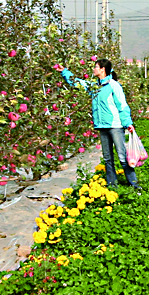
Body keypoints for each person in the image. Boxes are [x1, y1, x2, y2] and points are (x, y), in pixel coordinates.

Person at [55, 57, 142, 193]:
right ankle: (112, 186)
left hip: (115, 126)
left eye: (96, 67)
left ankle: (134, 184)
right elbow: (77, 83)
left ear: (103, 69)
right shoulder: (94, 86)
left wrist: (128, 123)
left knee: (122, 156)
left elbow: (122, 105)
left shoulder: (114, 85)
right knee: (107, 158)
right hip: (102, 126)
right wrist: (65, 72)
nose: (94, 69)